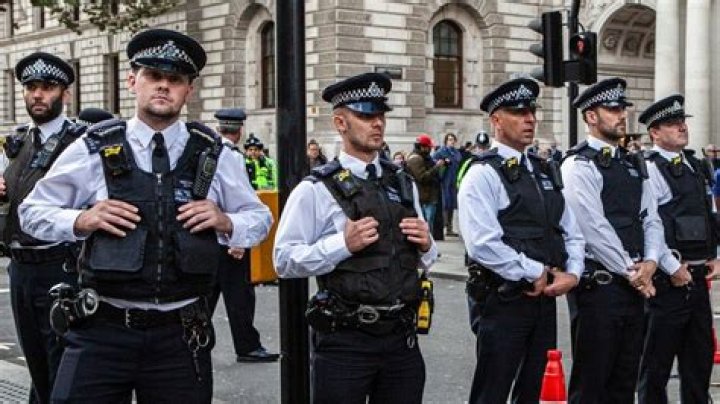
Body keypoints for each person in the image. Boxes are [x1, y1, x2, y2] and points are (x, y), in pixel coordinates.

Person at [19, 28, 273, 402]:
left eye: (175, 79)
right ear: (132, 81)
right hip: (102, 330)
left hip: (180, 335)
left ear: (189, 90)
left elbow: (260, 219)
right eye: (153, 75)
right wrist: (81, 220)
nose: (163, 86)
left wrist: (227, 221)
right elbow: (31, 213)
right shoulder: (94, 147)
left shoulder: (215, 154)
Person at [273, 72, 438, 404]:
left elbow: (424, 258)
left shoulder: (401, 181)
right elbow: (283, 260)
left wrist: (427, 244)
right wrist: (342, 245)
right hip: (346, 340)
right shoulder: (316, 188)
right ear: (340, 123)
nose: (377, 123)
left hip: (401, 337)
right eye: (365, 115)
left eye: (380, 115)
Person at [458, 77, 584, 403]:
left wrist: (573, 272)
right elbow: (482, 244)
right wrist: (534, 271)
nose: (529, 119)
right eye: (518, 113)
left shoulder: (543, 169)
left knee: (534, 388)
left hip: (542, 298)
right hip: (502, 299)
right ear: (496, 120)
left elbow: (569, 227)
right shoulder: (483, 173)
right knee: (493, 390)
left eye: (531, 112)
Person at [561, 77, 665, 403]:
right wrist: (635, 272)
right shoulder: (578, 164)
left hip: (633, 283)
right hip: (600, 287)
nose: (622, 115)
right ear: (591, 116)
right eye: (613, 109)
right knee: (592, 383)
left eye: (622, 108)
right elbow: (593, 228)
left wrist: (651, 261)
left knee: (624, 382)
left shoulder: (631, 162)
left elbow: (651, 217)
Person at [0, 51, 83, 404]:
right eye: (30, 87)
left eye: (47, 87)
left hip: (61, 266)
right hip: (20, 268)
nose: (37, 94)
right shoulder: (18, 142)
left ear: (65, 93)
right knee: (37, 365)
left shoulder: (81, 142)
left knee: (62, 367)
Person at [637, 94, 720, 403]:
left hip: (697, 277)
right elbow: (649, 224)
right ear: (654, 132)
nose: (682, 127)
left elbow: (711, 216)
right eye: (672, 124)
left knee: (699, 360)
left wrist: (716, 257)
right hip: (666, 281)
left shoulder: (697, 166)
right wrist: (672, 267)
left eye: (682, 122)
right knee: (655, 365)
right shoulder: (650, 168)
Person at [210, 108, 279, 363]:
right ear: (239, 131)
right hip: (228, 236)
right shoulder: (230, 156)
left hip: (206, 238)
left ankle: (191, 343)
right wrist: (238, 239)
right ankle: (247, 345)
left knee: (206, 296)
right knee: (240, 296)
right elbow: (236, 200)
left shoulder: (206, 151)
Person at [405, 134, 444, 235]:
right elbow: (422, 177)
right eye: (428, 147)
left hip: (427, 196)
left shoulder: (424, 158)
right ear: (422, 147)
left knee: (428, 223)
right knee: (426, 225)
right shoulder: (416, 159)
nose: (430, 150)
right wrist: (436, 167)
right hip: (424, 197)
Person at [433, 133, 462, 236]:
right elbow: (433, 161)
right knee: (445, 204)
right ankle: (443, 226)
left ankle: (449, 228)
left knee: (451, 205)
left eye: (453, 139)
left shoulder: (456, 153)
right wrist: (443, 162)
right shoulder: (441, 151)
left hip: (454, 181)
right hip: (444, 181)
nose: (451, 141)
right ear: (446, 141)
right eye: (449, 139)